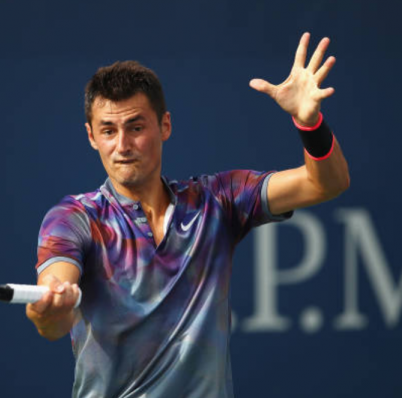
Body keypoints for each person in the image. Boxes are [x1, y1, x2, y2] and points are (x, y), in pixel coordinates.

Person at [26, 32, 349, 398]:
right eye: (108, 131)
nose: (122, 145)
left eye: (135, 127)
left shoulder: (218, 200)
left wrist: (310, 123)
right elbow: (52, 317)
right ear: (91, 137)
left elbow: (326, 183)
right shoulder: (74, 217)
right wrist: (52, 305)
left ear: (165, 125)